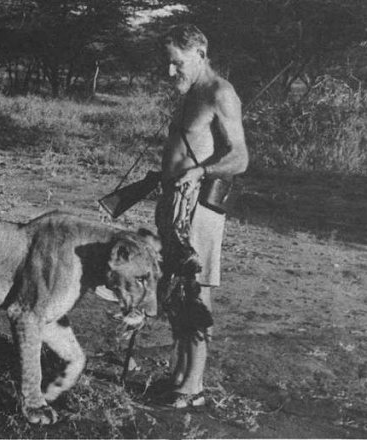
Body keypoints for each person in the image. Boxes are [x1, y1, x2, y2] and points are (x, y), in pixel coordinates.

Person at [154, 24, 249, 408]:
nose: (170, 72)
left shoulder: (220, 93)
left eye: (177, 63)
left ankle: (194, 385)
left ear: (199, 55)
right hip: (174, 204)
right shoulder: (190, 93)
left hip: (199, 207)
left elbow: (240, 158)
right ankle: (179, 374)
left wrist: (199, 172)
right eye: (167, 63)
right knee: (175, 290)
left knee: (196, 292)